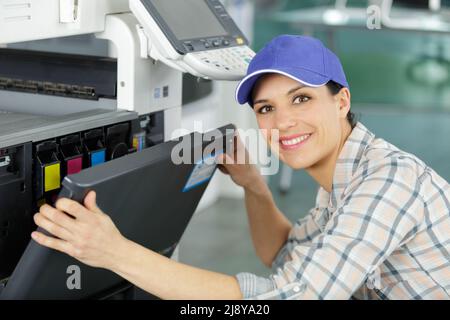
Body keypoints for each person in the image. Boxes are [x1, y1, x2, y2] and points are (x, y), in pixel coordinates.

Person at [31, 35, 450, 299]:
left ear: (342, 102)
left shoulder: (387, 182)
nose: (283, 122)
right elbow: (283, 254)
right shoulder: (340, 183)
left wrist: (114, 252)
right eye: (267, 108)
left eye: (301, 98)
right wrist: (254, 186)